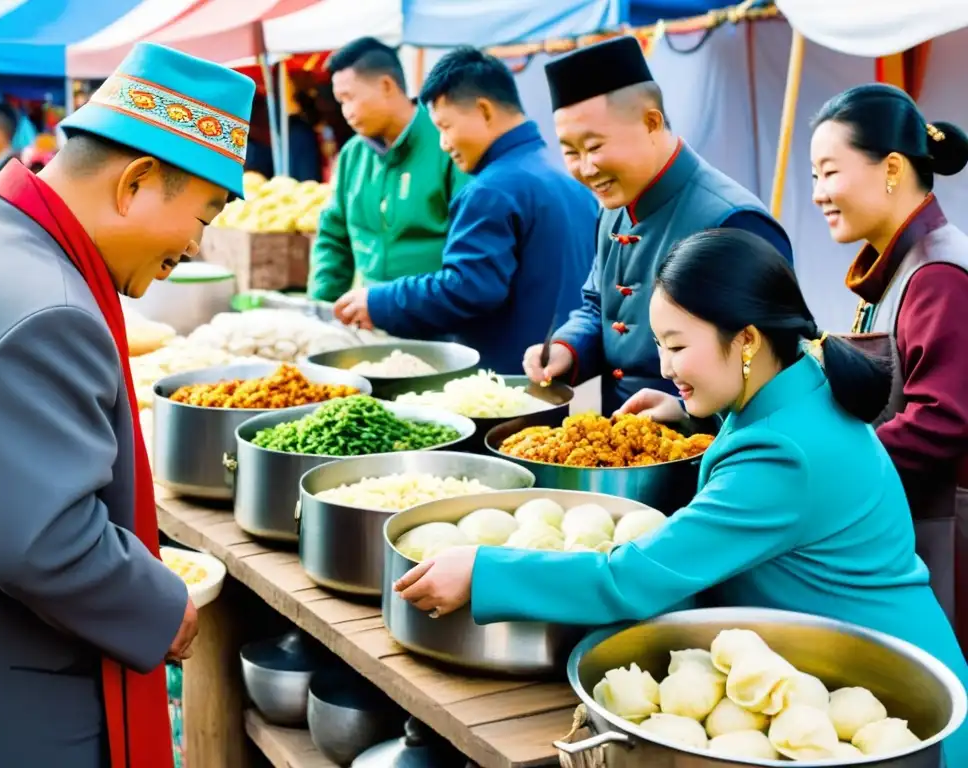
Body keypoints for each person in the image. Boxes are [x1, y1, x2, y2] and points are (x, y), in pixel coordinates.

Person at [393, 227, 968, 764]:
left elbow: (631, 579)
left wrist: (484, 571)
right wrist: (692, 410)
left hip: (889, 712)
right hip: (854, 676)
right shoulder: (802, 373)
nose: (664, 367)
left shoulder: (781, 461)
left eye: (676, 346)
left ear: (746, 338)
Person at [0, 43, 255, 767]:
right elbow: (40, 541)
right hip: (9, 704)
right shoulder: (47, 306)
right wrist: (156, 605)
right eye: (202, 212)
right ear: (137, 181)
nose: (195, 243)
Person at [520, 36, 792, 414]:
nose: (585, 168)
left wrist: (686, 412)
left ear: (651, 122)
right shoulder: (613, 205)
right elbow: (597, 305)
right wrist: (567, 348)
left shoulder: (733, 219)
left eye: (595, 147)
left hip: (704, 450)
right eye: (570, 152)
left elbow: (776, 363)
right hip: (618, 435)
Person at [810, 83, 968, 650]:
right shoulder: (900, 264)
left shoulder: (938, 274)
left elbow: (941, 420)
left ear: (893, 169)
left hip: (944, 534)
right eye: (813, 177)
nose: (818, 194)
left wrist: (836, 474)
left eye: (829, 172)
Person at [335, 48, 596, 372]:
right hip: (571, 378)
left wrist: (379, 301)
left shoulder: (491, 190)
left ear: (484, 111)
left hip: (512, 382)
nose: (443, 143)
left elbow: (468, 287)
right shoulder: (565, 180)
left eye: (445, 126)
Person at [308, 37, 466, 304]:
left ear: (386, 86)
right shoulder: (352, 155)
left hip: (439, 321)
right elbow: (334, 238)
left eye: (349, 98)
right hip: (371, 319)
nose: (345, 111)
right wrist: (320, 307)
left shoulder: (447, 144)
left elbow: (468, 246)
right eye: (340, 101)